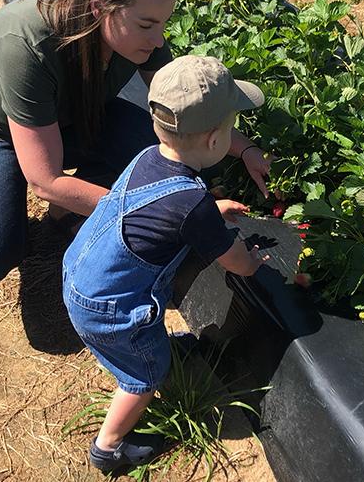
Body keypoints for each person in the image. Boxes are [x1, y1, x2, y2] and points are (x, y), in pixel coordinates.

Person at [0, 0, 274, 285]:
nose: (158, 40)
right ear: (98, 6)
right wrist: (174, 213)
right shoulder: (26, 43)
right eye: (146, 25)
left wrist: (246, 149)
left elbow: (188, 112)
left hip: (65, 119)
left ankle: (67, 209)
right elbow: (45, 181)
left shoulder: (144, 35)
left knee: (164, 146)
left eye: (163, 23)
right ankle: (6, 184)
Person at [63, 55, 268, 472]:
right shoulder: (192, 203)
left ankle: (146, 354)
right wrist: (255, 261)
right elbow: (236, 264)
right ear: (214, 142)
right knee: (144, 377)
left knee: (141, 351)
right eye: (231, 128)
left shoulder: (146, 159)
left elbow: (163, 208)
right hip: (112, 307)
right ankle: (109, 447)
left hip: (81, 274)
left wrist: (211, 208)